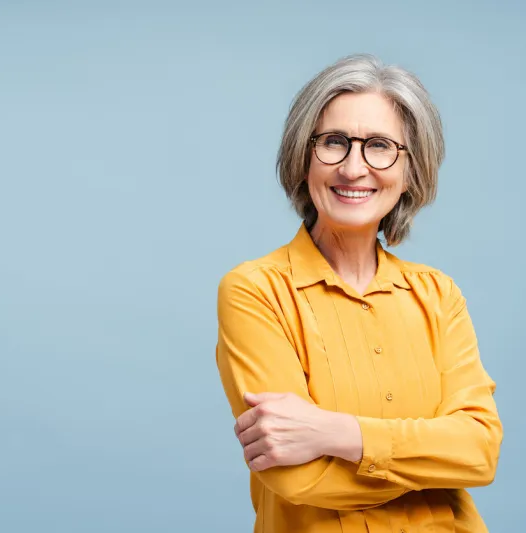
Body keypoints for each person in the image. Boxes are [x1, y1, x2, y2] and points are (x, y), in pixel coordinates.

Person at [215, 54, 503, 533]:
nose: (354, 167)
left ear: (411, 169)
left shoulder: (438, 295)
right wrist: (430, 461)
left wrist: (339, 434)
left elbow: (479, 453)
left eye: (380, 146)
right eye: (333, 142)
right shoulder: (255, 291)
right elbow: (296, 476)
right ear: (302, 156)